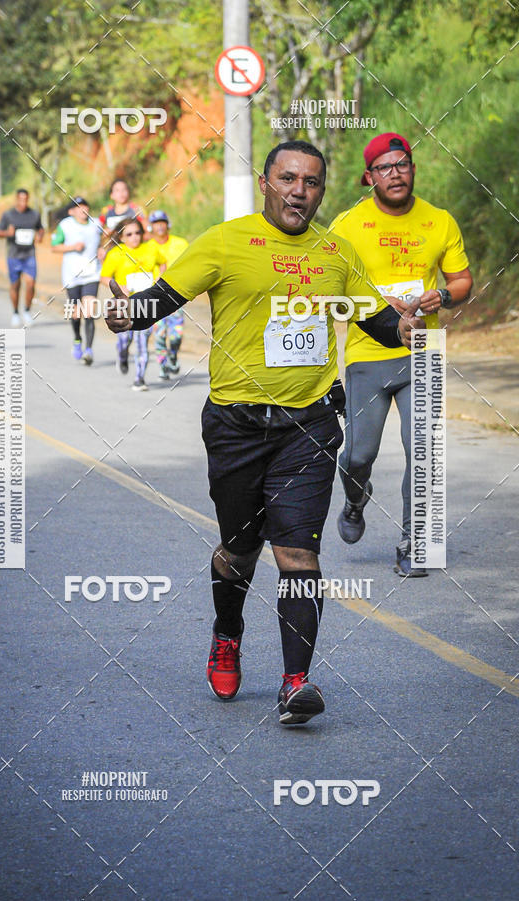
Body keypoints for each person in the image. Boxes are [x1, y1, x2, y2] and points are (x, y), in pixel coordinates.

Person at [106, 140, 423, 726]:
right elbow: (161, 299)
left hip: (309, 424)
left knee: (299, 551)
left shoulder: (336, 251)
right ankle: (228, 631)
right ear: (265, 182)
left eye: (311, 182)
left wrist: (404, 325)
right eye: (288, 178)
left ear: (323, 191)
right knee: (240, 548)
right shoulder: (226, 242)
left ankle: (295, 682)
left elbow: (376, 321)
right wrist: (125, 312)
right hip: (237, 427)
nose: (299, 191)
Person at [329, 132, 472, 577]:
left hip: (423, 348)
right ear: (368, 177)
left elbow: (463, 281)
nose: (396, 173)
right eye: (385, 167)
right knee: (357, 455)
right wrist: (373, 307)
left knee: (425, 451)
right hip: (367, 353)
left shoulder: (439, 221)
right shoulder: (347, 225)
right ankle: (355, 498)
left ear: (413, 170)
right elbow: (328, 287)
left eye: (403, 164)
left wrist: (443, 296)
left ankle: (416, 542)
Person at [100, 218, 166, 390]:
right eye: (129, 234)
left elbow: (163, 262)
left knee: (143, 339)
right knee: (125, 338)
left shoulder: (151, 247)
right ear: (121, 237)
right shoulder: (116, 253)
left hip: (147, 302)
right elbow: (104, 277)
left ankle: (139, 378)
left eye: (137, 233)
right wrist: (120, 287)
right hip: (125, 304)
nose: (134, 237)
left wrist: (160, 280)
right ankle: (122, 355)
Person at [51, 196, 101, 365]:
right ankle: (77, 338)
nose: (83, 209)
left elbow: (107, 238)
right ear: (72, 211)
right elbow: (54, 246)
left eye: (85, 206)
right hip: (72, 275)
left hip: (92, 274)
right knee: (76, 313)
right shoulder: (65, 225)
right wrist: (72, 247)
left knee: (89, 312)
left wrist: (103, 249)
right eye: (79, 207)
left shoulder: (96, 224)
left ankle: (89, 350)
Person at [148, 210, 189, 380]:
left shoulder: (181, 244)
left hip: (175, 295)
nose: (159, 226)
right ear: (151, 226)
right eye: (156, 223)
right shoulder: (147, 248)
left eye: (162, 222)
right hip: (153, 296)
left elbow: (190, 265)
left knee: (176, 335)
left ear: (168, 224)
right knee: (159, 334)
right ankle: (163, 365)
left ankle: (173, 355)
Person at [0, 188, 44, 326]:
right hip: (14, 255)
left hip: (29, 255)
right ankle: (15, 312)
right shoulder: (9, 215)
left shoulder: (34, 214)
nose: (23, 202)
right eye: (20, 199)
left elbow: (40, 228)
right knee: (15, 285)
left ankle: (27, 311)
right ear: (16, 199)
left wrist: (40, 235)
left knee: (30, 283)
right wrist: (7, 233)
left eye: (25, 199)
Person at [98, 178, 147, 258]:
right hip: (112, 254)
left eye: (124, 190)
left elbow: (147, 232)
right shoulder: (106, 211)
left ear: (128, 192)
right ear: (111, 195)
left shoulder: (136, 209)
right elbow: (98, 233)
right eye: (117, 190)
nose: (121, 193)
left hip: (133, 254)